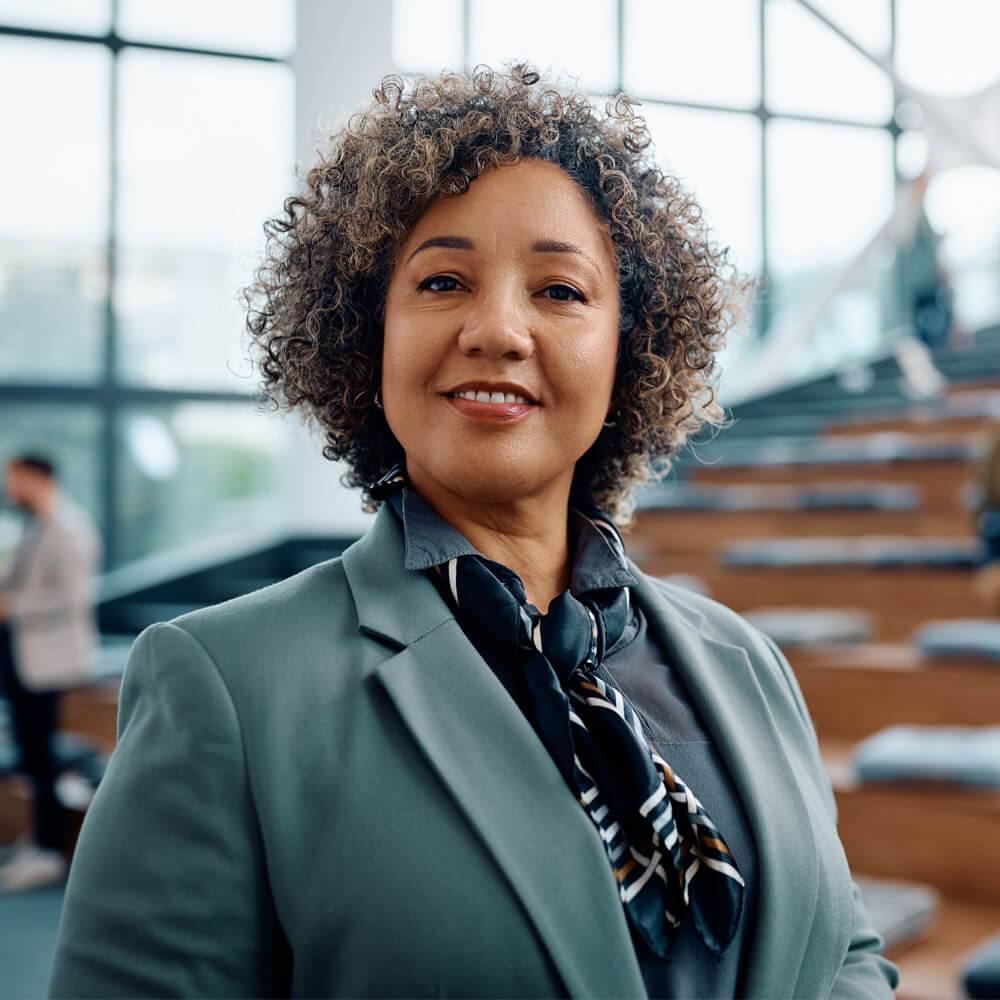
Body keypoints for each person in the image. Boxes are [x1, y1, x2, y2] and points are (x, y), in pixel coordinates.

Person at [50, 67, 898, 997]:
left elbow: (846, 954)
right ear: (367, 335)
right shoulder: (227, 688)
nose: (498, 329)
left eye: (561, 291)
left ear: (632, 344)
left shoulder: (745, 660)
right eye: (445, 281)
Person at [0, 454, 100, 892]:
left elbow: (73, 597)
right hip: (25, 658)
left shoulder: (68, 527)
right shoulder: (37, 526)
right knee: (31, 750)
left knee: (41, 755)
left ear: (36, 477)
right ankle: (40, 840)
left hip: (49, 661)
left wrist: (12, 605)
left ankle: (48, 849)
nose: (9, 487)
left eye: (14, 478)